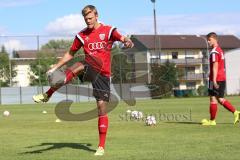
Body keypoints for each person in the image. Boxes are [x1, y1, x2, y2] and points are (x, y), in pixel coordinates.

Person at [33, 5, 134, 156]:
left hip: (103, 75)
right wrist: (55, 66)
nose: (88, 21)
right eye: (86, 19)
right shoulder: (82, 35)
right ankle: (48, 94)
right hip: (88, 68)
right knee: (78, 65)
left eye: (90, 18)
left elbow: (122, 38)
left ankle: (101, 146)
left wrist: (127, 41)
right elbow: (70, 53)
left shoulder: (108, 30)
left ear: (97, 15)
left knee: (101, 107)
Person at [201, 32, 239, 125]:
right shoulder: (220, 50)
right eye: (207, 40)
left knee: (213, 99)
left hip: (215, 78)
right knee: (220, 98)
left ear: (214, 39)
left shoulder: (214, 52)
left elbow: (215, 66)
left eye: (209, 40)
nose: (208, 42)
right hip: (222, 77)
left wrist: (213, 80)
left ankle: (212, 121)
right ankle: (236, 112)